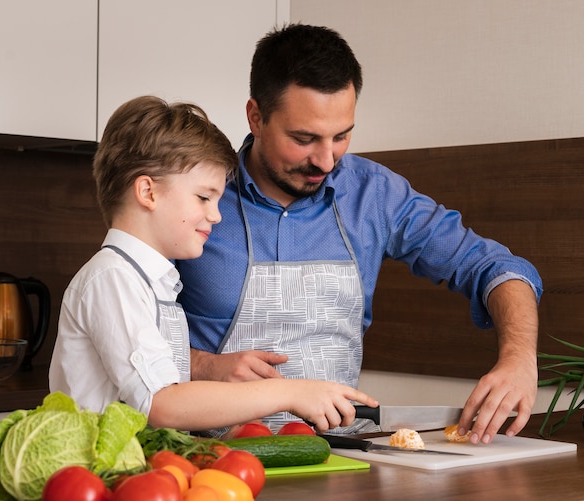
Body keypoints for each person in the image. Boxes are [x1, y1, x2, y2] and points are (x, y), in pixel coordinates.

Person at [175, 24, 542, 443]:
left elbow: (495, 266)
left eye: (342, 136)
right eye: (304, 139)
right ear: (256, 117)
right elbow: (123, 339)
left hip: (341, 454)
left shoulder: (375, 195)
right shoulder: (197, 196)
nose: (326, 161)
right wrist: (202, 365)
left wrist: (518, 358)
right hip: (210, 460)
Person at [49, 95, 377, 432]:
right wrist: (288, 392)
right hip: (100, 479)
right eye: (204, 197)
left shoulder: (152, 281)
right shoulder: (113, 279)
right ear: (147, 192)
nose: (216, 215)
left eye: (218, 199)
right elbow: (162, 405)